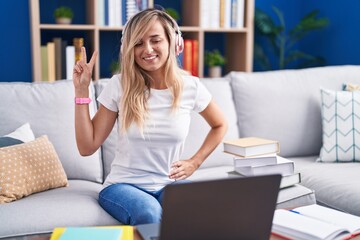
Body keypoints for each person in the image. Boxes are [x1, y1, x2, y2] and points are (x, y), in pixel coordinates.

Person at [72, 8, 227, 225]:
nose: (147, 49)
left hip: (168, 184)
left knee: (204, 206)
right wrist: (81, 92)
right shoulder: (120, 85)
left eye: (155, 40)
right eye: (138, 43)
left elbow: (220, 124)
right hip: (123, 186)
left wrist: (195, 162)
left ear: (174, 43)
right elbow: (86, 146)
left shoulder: (190, 86)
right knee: (149, 213)